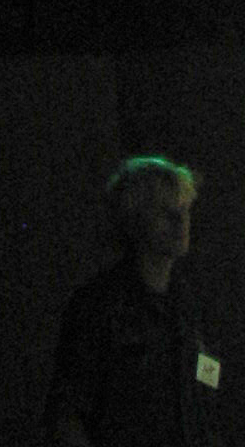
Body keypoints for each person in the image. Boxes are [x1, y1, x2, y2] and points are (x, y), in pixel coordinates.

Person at [45, 156, 224, 447]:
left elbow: (207, 391)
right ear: (133, 219)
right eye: (165, 210)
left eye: (184, 209)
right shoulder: (99, 306)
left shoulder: (191, 306)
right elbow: (68, 414)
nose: (181, 221)